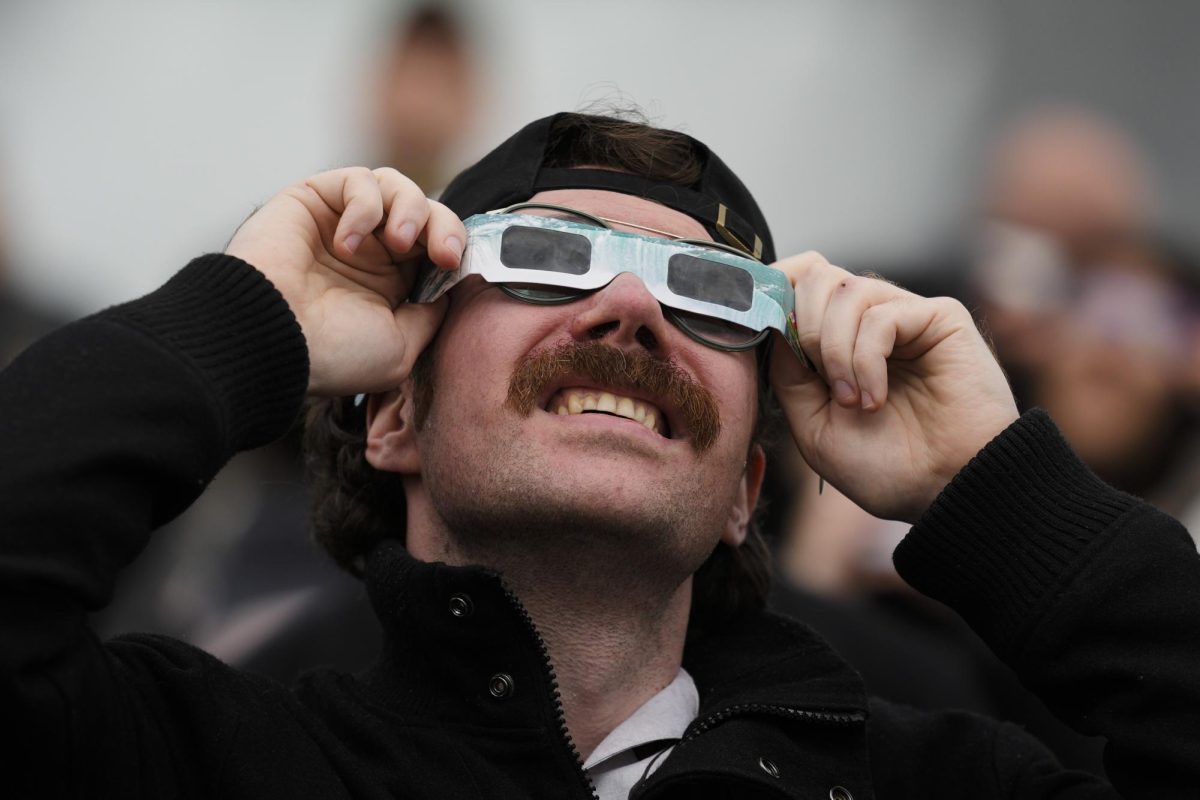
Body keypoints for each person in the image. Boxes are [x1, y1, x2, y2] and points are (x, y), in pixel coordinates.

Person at [2, 111, 1197, 799]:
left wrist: (991, 488)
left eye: (710, 291)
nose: (630, 307)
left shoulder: (939, 785)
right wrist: (243, 319)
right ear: (392, 417)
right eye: (543, 258)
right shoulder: (212, 759)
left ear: (746, 488)